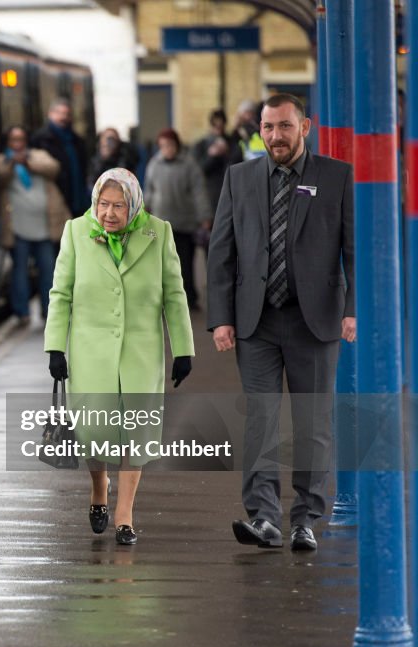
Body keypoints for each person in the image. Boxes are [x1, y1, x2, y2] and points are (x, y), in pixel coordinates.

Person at [207, 93, 355, 552]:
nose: (275, 136)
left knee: (312, 424)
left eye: (284, 127)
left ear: (304, 127)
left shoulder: (335, 177)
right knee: (261, 422)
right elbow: (221, 252)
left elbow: (354, 249)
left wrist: (353, 310)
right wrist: (221, 319)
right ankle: (264, 518)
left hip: (315, 321)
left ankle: (305, 519)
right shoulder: (240, 177)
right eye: (268, 128)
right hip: (257, 321)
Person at [44, 168, 194, 546]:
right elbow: (60, 294)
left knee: (137, 433)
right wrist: (55, 347)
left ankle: (124, 515)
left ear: (134, 204)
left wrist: (183, 349)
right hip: (89, 350)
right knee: (95, 433)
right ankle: (99, 488)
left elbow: (174, 294)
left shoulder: (159, 233)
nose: (108, 213)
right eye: (102, 204)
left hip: (141, 352)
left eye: (118, 206)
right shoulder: (76, 231)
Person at [0, 126, 69, 323]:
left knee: (48, 269)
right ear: (8, 142)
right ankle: (22, 312)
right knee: (19, 270)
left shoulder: (38, 155)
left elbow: (53, 168)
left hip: (44, 226)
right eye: (13, 139)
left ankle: (49, 311)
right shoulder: (2, 160)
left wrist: (27, 162)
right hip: (17, 227)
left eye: (21, 139)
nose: (17, 144)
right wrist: (12, 163)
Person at [144, 128, 211, 311]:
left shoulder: (189, 165)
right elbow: (149, 190)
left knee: (185, 263)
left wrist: (204, 216)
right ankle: (165, 298)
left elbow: (199, 192)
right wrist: (144, 209)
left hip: (184, 223)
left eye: (170, 145)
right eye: (163, 146)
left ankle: (189, 297)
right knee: (163, 264)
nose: (167, 149)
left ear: (177, 145)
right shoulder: (154, 164)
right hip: (161, 222)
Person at [31, 98, 91, 217]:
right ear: (50, 114)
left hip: (78, 197)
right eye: (59, 113)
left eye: (67, 114)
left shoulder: (77, 140)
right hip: (54, 197)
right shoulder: (40, 139)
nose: (63, 117)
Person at [192, 109, 240, 215]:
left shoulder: (232, 143)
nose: (218, 129)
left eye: (221, 125)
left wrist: (227, 153)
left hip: (230, 193)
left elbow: (237, 168)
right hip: (209, 195)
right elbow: (198, 171)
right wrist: (211, 155)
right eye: (215, 125)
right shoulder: (201, 145)